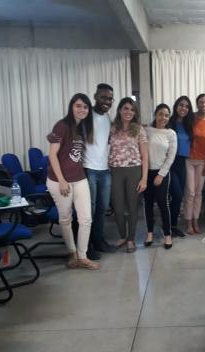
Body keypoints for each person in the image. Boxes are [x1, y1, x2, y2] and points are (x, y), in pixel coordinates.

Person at [46, 93, 100, 270]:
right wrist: (61, 180)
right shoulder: (62, 126)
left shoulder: (83, 127)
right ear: (71, 106)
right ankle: (72, 253)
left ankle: (82, 256)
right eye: (78, 106)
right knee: (66, 218)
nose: (82, 109)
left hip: (79, 178)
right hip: (59, 180)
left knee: (86, 218)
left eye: (85, 107)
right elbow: (52, 154)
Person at [108, 98, 148, 253]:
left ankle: (131, 239)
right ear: (119, 110)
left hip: (134, 170)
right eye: (126, 108)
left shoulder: (139, 130)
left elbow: (145, 156)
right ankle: (122, 236)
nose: (129, 112)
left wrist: (144, 178)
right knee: (117, 207)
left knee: (132, 207)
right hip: (115, 171)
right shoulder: (112, 129)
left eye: (132, 110)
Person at [83, 83, 116, 260]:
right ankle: (86, 246)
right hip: (89, 170)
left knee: (102, 209)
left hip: (105, 171)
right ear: (95, 97)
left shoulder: (108, 118)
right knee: (90, 209)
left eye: (110, 98)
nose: (107, 101)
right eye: (104, 97)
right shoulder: (87, 116)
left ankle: (99, 241)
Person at [144, 104, 177, 249]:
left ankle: (167, 235)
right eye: (160, 114)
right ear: (155, 114)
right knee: (148, 204)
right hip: (146, 173)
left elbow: (171, 157)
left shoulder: (171, 133)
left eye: (166, 115)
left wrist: (161, 175)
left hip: (161, 173)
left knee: (163, 204)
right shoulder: (146, 130)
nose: (163, 117)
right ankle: (149, 233)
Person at [183, 94, 205, 235]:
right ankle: (188, 222)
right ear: (197, 104)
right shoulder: (190, 118)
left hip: (203, 161)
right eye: (201, 102)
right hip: (189, 159)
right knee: (190, 192)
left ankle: (196, 221)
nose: (204, 104)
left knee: (198, 193)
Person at [168, 96, 194, 238]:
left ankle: (173, 226)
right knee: (176, 195)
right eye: (181, 105)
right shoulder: (169, 122)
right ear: (176, 106)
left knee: (179, 196)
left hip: (183, 163)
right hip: (170, 163)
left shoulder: (188, 124)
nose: (183, 108)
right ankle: (169, 225)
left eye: (186, 106)